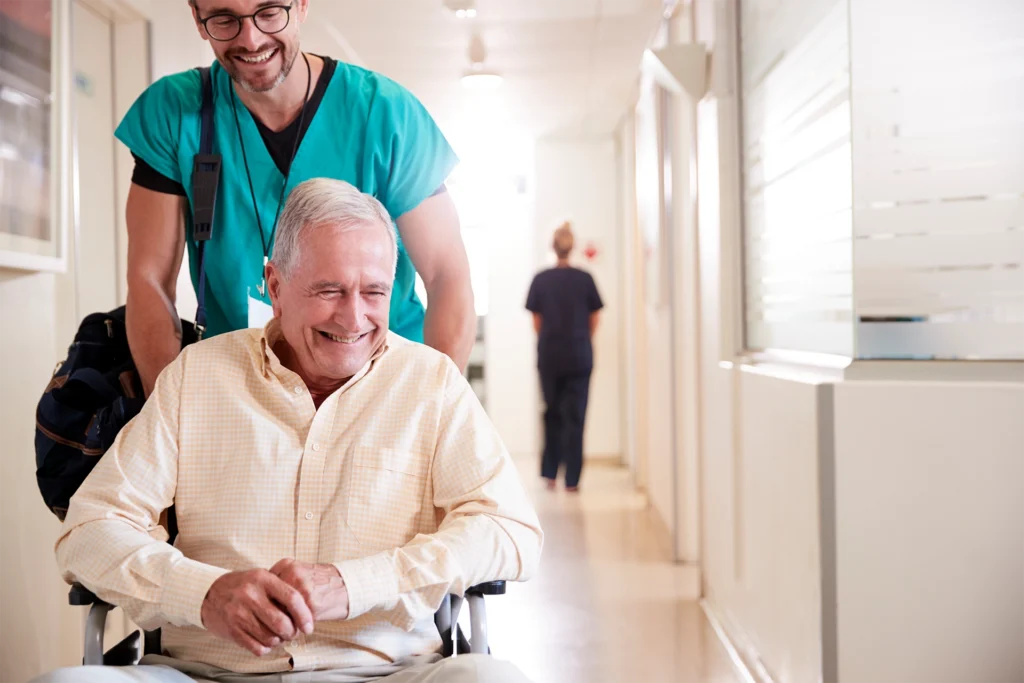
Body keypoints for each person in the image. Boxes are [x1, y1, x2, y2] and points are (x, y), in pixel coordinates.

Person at [32, 179, 542, 683]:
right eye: (329, 290)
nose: (353, 316)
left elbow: (511, 530)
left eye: (374, 292)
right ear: (275, 287)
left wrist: (355, 583)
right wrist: (203, 593)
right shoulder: (197, 376)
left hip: (389, 673)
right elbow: (89, 530)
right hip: (206, 671)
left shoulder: (430, 384)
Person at [120, 0, 475, 397]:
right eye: (224, 19)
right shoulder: (175, 112)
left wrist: (438, 412)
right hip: (240, 387)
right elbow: (148, 280)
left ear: (302, 4)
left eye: (270, 12)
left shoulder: (384, 114)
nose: (251, 39)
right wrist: (170, 412)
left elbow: (447, 275)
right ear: (198, 19)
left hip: (381, 385)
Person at [525, 223, 603, 493]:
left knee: (552, 413)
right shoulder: (585, 279)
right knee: (576, 416)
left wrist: (551, 338)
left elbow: (537, 321)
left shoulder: (541, 280)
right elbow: (595, 318)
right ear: (572, 247)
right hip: (580, 355)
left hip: (551, 355)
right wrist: (582, 338)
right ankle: (572, 479)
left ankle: (550, 473)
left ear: (553, 247)